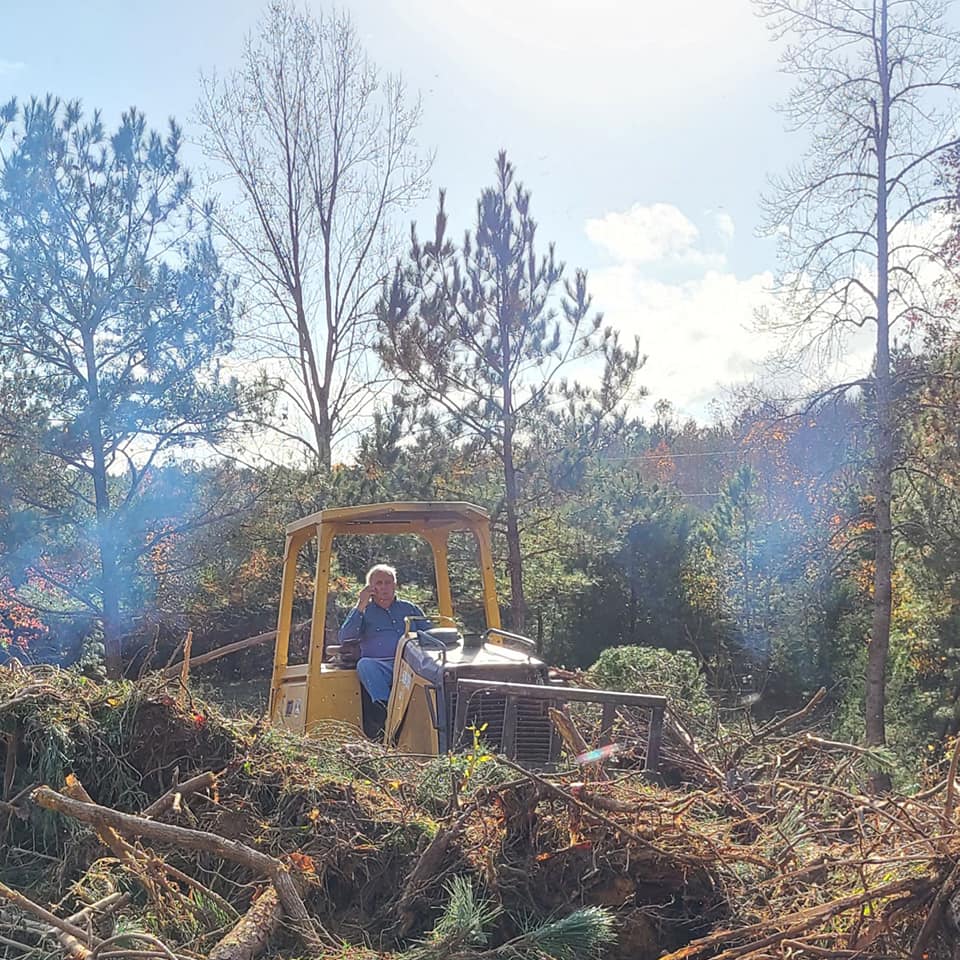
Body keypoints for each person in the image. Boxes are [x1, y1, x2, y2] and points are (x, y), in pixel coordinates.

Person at [338, 564, 430, 728]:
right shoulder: (364, 612)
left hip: (412, 665)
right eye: (379, 583)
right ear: (371, 587)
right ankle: (388, 711)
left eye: (388, 582)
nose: (384, 587)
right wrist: (361, 604)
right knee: (365, 664)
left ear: (395, 585)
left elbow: (430, 634)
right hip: (383, 666)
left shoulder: (410, 609)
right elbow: (346, 636)